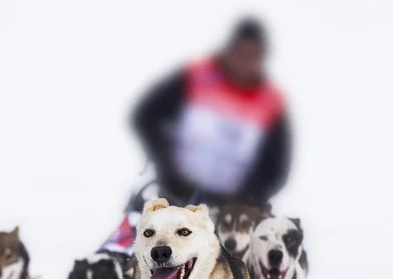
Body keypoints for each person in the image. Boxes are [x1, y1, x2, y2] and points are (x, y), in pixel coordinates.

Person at [101, 17, 291, 254]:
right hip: (181, 190)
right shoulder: (197, 77)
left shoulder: (270, 101)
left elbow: (278, 166)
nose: (245, 60)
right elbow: (145, 116)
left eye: (252, 55)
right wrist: (166, 161)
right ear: (230, 50)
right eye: (241, 52)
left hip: (238, 202)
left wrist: (250, 194)